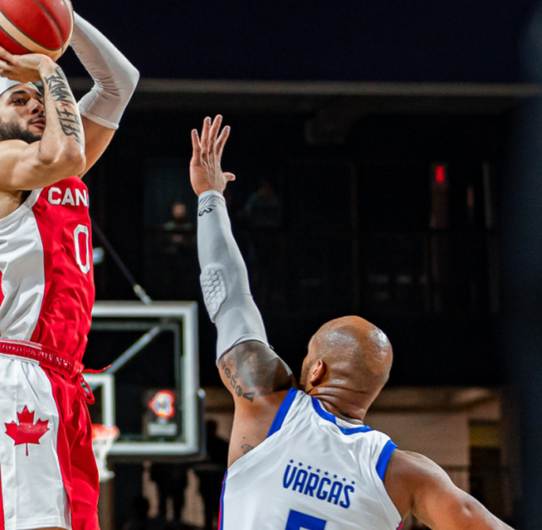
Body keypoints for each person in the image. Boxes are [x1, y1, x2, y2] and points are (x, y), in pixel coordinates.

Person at [188, 115, 513, 529]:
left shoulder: (268, 405)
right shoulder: (405, 474)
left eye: (307, 356)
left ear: (317, 369)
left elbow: (229, 293)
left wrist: (209, 195)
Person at [0, 0, 139, 529]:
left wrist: (60, 18)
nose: (36, 104)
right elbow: (67, 150)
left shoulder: (53, 161)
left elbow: (119, 83)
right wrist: (48, 68)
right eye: (20, 98)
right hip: (20, 370)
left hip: (64, 377)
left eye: (38, 99)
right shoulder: (2, 164)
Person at [193, 421, 228, 530]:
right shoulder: (204, 445)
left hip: (216, 482)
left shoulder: (205, 445)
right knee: (210, 508)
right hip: (210, 482)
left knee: (214, 508)